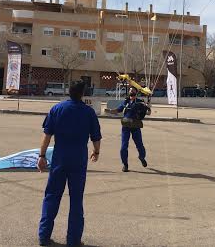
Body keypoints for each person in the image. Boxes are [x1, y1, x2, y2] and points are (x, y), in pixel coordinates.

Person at [37, 81, 101, 247]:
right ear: (82, 94)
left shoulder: (57, 109)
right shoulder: (88, 112)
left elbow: (47, 135)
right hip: (78, 160)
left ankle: (44, 236)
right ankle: (73, 240)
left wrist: (42, 155)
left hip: (60, 158)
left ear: (69, 92)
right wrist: (96, 151)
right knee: (76, 200)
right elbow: (96, 137)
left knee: (52, 196)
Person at [107, 87, 150, 172]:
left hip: (136, 126)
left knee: (140, 145)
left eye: (133, 91)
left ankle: (142, 157)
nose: (131, 92)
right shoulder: (125, 102)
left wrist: (148, 107)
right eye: (130, 91)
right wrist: (110, 111)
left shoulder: (140, 102)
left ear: (136, 92)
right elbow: (118, 110)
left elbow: (148, 113)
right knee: (123, 147)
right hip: (126, 126)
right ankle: (125, 164)